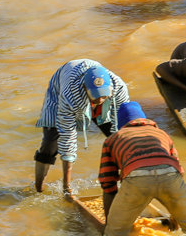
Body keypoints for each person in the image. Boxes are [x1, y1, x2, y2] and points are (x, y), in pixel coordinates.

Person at [98, 101, 186, 236]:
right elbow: (179, 170)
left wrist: (109, 224)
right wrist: (176, 214)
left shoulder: (113, 139)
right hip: (171, 176)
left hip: (137, 179)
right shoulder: (162, 134)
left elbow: (108, 184)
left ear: (122, 124)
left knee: (115, 232)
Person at [34, 59, 129, 195]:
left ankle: (125, 179)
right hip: (60, 89)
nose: (100, 101)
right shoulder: (70, 95)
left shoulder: (119, 88)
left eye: (103, 96)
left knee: (120, 139)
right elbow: (68, 137)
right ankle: (38, 189)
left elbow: (123, 125)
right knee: (50, 142)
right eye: (96, 98)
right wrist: (67, 188)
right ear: (85, 89)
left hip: (98, 96)